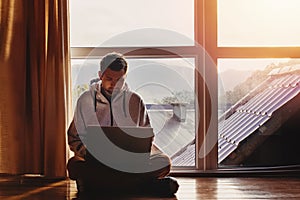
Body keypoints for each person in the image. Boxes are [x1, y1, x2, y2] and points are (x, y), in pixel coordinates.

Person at [67, 52, 179, 197]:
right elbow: (73, 138)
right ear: (100, 75)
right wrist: (90, 154)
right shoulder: (85, 100)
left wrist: (136, 156)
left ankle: (99, 186)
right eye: (109, 78)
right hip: (97, 162)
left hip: (129, 163)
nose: (114, 84)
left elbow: (146, 137)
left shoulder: (135, 100)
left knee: (163, 162)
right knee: (74, 165)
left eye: (119, 79)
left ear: (125, 77)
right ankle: (142, 186)